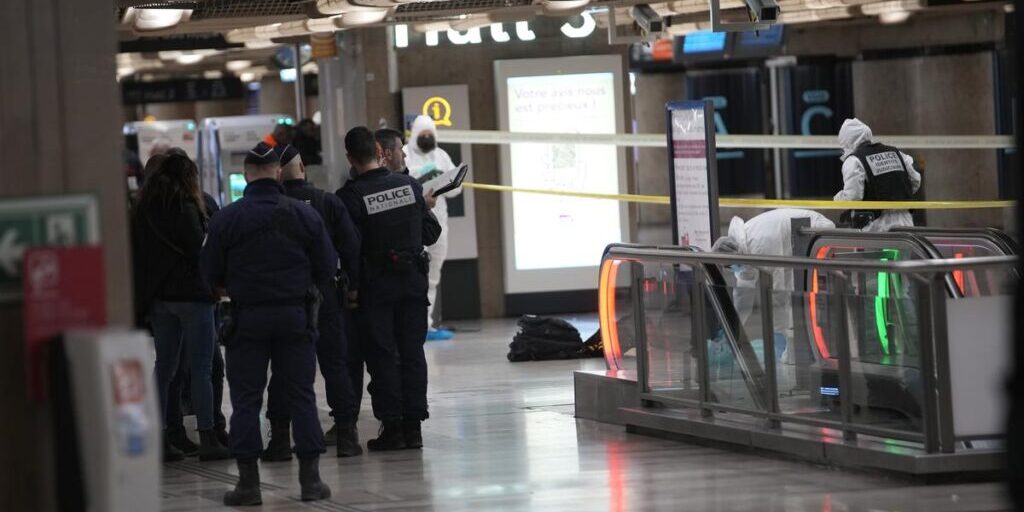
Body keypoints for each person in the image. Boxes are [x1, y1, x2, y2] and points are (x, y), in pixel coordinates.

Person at [201, 142, 335, 505]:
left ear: (246, 174)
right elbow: (327, 267)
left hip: (246, 319)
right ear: (278, 172)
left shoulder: (227, 218)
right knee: (302, 395)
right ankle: (310, 481)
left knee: (246, 400)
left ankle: (248, 485)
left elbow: (209, 271)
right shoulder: (305, 215)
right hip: (295, 317)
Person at [337, 127, 441, 451]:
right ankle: (415, 428)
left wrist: (352, 289)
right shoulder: (410, 186)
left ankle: (392, 428)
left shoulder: (350, 197)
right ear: (379, 153)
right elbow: (431, 231)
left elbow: (349, 249)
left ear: (351, 158)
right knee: (412, 354)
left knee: (383, 356)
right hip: (412, 285)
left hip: (376, 289)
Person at [261, 144, 364, 460]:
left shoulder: (267, 207)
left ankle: (279, 440)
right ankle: (346, 435)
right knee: (335, 365)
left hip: (283, 299)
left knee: (282, 368)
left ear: (277, 174)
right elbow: (351, 247)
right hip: (325, 296)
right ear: (302, 166)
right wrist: (353, 288)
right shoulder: (328, 202)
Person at [131, 152, 230, 463]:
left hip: (160, 299)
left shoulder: (144, 209)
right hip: (192, 297)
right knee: (200, 369)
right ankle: (208, 436)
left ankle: (159, 438)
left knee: (165, 368)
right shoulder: (186, 207)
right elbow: (199, 250)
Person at [711, 209, 835, 363]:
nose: (732, 270)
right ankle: (795, 345)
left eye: (729, 266)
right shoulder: (742, 249)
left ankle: (804, 349)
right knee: (792, 295)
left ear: (732, 256)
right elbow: (743, 295)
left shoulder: (756, 246)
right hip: (800, 239)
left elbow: (781, 288)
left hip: (815, 232)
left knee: (799, 295)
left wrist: (781, 332)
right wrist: (731, 327)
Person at [404, 115, 461, 341]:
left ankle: (427, 326)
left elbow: (457, 188)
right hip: (415, 225)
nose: (427, 138)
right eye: (422, 134)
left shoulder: (441, 155)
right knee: (416, 277)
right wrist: (423, 178)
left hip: (439, 224)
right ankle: (414, 325)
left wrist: (441, 181)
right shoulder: (406, 154)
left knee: (433, 277)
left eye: (430, 134)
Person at [834, 118, 922, 232]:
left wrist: (837, 199)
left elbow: (853, 197)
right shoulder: (896, 152)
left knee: (876, 250)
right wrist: (896, 195)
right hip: (905, 221)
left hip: (876, 226)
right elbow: (915, 181)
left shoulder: (854, 161)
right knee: (905, 249)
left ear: (846, 141)